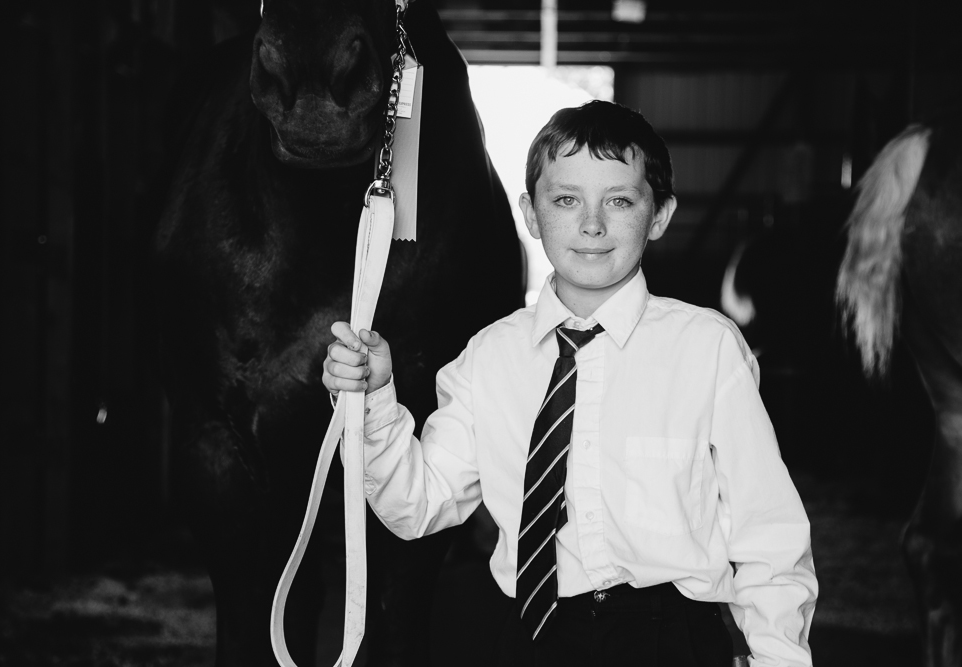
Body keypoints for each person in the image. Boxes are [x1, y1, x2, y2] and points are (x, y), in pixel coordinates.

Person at [322, 100, 816, 666]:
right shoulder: (489, 358)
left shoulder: (707, 349)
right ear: (531, 215)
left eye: (620, 201)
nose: (592, 224)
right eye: (565, 200)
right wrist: (375, 399)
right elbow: (415, 506)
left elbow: (768, 531)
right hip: (531, 639)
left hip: (669, 640)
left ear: (659, 217)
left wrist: (779, 658)